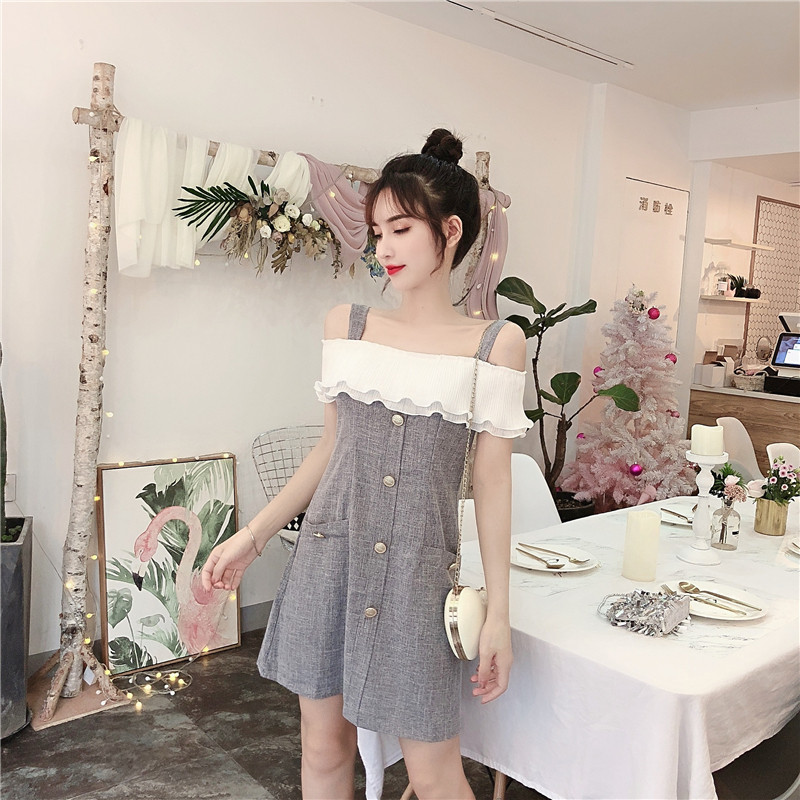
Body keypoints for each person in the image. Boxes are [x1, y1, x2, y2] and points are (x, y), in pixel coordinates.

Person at [201, 128, 530, 800]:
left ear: (450, 231)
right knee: (324, 748)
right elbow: (330, 450)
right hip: (329, 563)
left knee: (434, 771)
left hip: (418, 579)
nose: (384, 248)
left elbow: (493, 481)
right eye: (378, 232)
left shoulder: (495, 344)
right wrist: (252, 536)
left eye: (401, 229)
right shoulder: (346, 326)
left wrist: (497, 610)